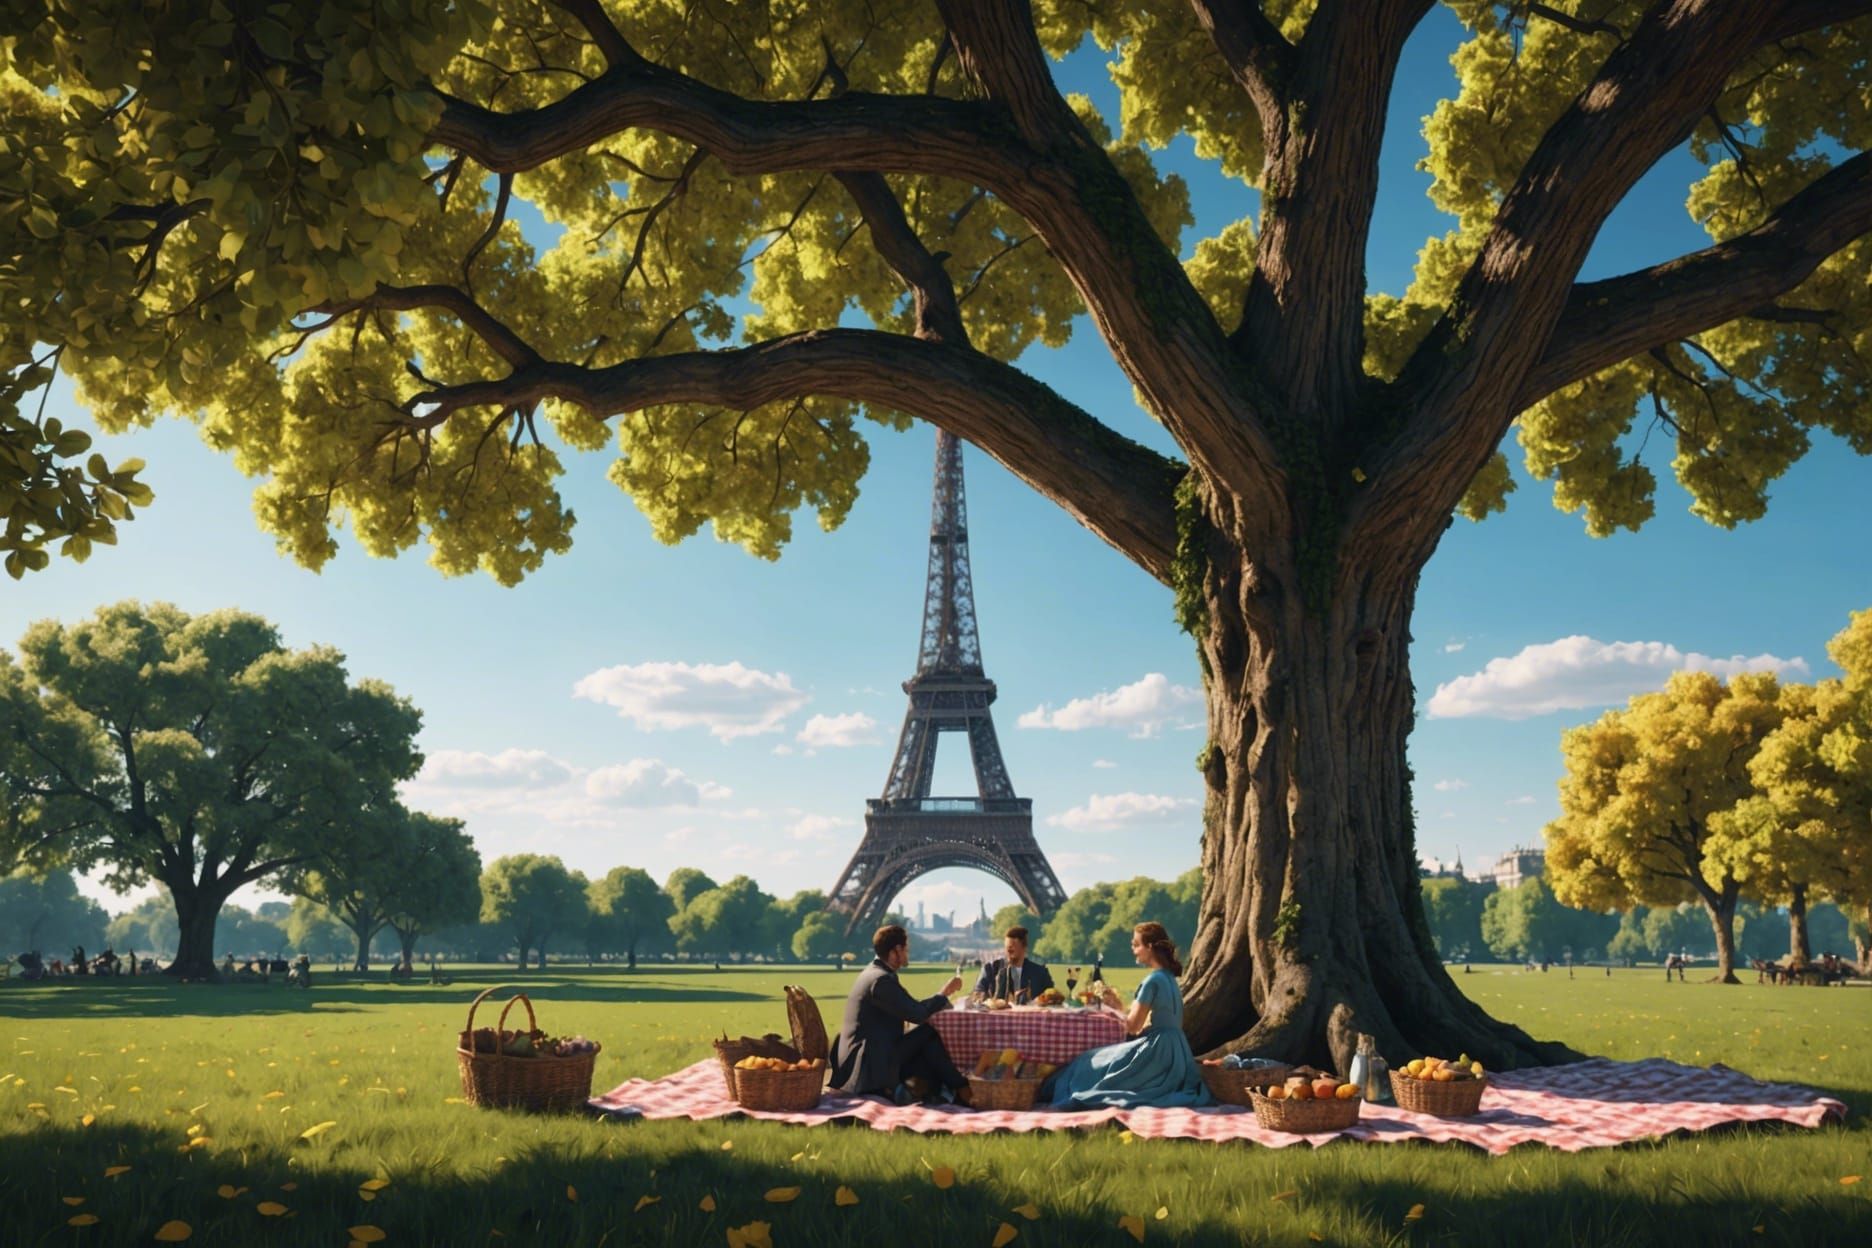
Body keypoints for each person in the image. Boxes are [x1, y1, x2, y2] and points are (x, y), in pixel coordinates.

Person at [1043, 922, 1212, 1110]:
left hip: (1156, 1053)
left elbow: (1132, 1026)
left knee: (1089, 1059)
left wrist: (1114, 1007)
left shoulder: (1152, 980)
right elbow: (1170, 1022)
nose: (1133, 949)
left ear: (1149, 946)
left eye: (1136, 944)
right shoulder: (1170, 979)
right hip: (1177, 1051)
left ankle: (1050, 1090)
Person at [827, 924, 969, 1105]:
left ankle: (940, 1092)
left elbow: (911, 1008)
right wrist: (944, 994)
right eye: (906, 949)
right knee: (928, 1033)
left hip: (870, 1053)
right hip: (868, 1062)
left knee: (926, 1045)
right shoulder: (881, 981)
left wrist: (940, 996)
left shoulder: (874, 973)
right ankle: (961, 1088)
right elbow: (917, 1014)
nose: (908, 953)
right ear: (896, 951)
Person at [972, 926, 1055, 1002]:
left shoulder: (1041, 973)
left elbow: (1052, 999)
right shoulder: (990, 970)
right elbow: (977, 995)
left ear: (1024, 948)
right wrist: (988, 999)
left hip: (1030, 1017)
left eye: (1011, 951)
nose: (1008, 953)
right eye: (1006, 949)